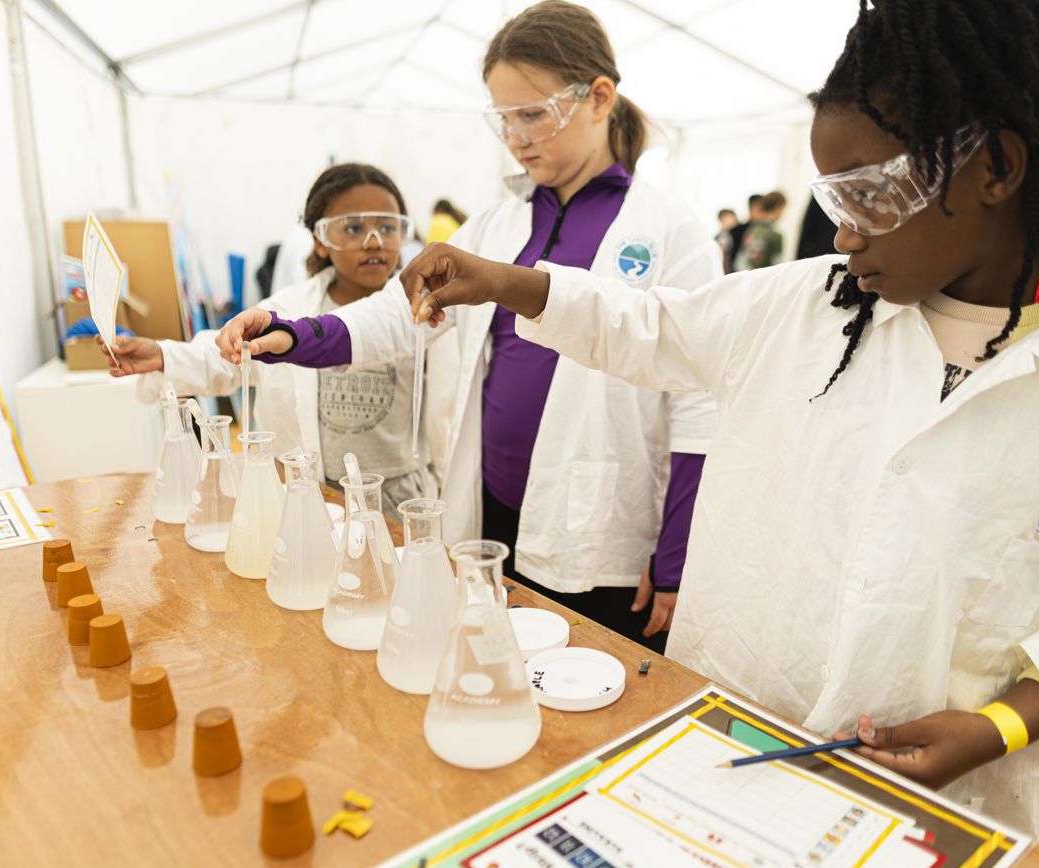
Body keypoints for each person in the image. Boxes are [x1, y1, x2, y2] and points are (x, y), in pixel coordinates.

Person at [393, 0, 1039, 845]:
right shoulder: (806, 307)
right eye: (833, 196)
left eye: (871, 193)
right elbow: (652, 325)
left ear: (996, 167)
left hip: (944, 804)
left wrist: (1002, 728)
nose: (842, 231)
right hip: (728, 740)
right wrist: (509, 282)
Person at [216, 0, 718, 651]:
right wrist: (294, 336)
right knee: (485, 668)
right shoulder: (500, 221)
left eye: (533, 114)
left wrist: (676, 558)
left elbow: (698, 406)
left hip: (599, 532)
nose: (516, 138)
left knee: (582, 691)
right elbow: (403, 316)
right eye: (502, 119)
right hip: (490, 511)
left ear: (599, 98)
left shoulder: (673, 232)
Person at [104, 163, 436, 508]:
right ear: (320, 242)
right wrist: (163, 355)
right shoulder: (291, 308)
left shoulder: (425, 309)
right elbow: (228, 353)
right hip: (312, 494)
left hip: (397, 498)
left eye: (387, 227)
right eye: (352, 228)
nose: (374, 243)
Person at [737, 190, 786, 270]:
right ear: (778, 206)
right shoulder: (775, 235)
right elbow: (779, 266)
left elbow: (740, 262)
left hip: (749, 277)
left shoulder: (751, 230)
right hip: (767, 280)